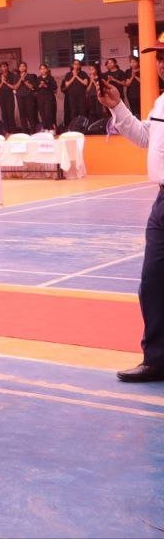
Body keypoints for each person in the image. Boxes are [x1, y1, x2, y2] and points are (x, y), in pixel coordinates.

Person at [98, 44, 164, 383]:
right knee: (152, 285)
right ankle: (157, 359)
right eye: (161, 59)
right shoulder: (162, 102)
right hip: (162, 203)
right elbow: (144, 138)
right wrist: (117, 105)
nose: (162, 64)